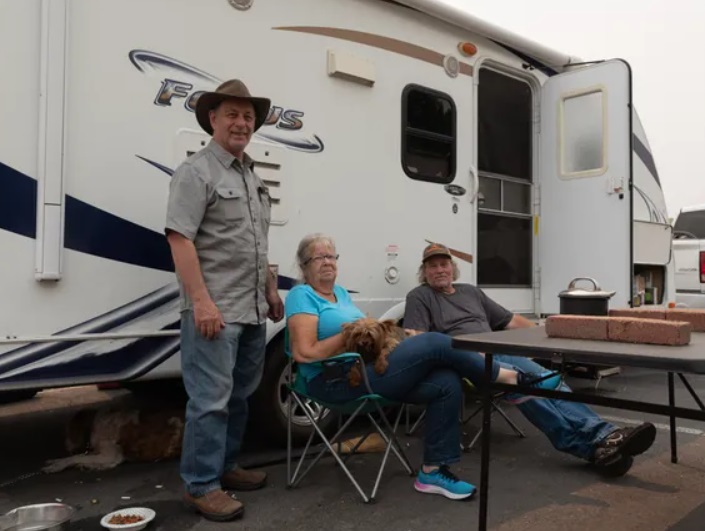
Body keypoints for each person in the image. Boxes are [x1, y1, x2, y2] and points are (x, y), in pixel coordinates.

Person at [284, 233, 558, 501]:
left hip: (369, 370)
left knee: (446, 382)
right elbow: (304, 352)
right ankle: (508, 380)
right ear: (304, 264)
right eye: (318, 257)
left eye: (331, 256)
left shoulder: (341, 294)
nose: (327, 261)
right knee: (435, 342)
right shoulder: (302, 295)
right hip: (335, 381)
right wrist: (350, 333)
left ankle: (433, 472)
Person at [403, 243, 658, 476]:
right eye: (432, 266)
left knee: (550, 379)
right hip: (468, 362)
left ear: (452, 268)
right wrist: (466, 351)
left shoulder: (470, 292)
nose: (439, 270)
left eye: (444, 264)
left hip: (498, 350)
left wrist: (543, 333)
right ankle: (594, 443)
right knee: (527, 388)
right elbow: (421, 340)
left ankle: (604, 443)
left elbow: (510, 320)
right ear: (424, 272)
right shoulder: (420, 296)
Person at [165, 79, 284, 521]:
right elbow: (180, 239)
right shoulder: (196, 171)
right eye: (232, 114)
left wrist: (270, 290)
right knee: (210, 400)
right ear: (212, 120)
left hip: (251, 308)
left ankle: (226, 466)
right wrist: (201, 302)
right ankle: (200, 485)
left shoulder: (251, 175)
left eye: (248, 116)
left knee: (239, 397)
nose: (241, 122)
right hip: (215, 311)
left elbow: (254, 243)